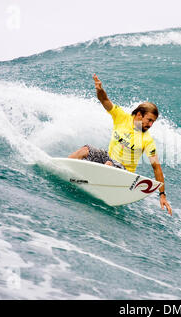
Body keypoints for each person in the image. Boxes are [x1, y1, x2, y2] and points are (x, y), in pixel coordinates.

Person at [68, 74, 172, 215]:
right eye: (149, 120)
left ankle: (91, 188)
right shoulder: (121, 117)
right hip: (108, 157)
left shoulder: (147, 140)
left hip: (123, 171)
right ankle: (62, 170)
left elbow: (156, 167)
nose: (151, 124)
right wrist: (99, 89)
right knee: (85, 150)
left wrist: (162, 194)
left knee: (109, 165)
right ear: (139, 114)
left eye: (153, 122)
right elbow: (105, 100)